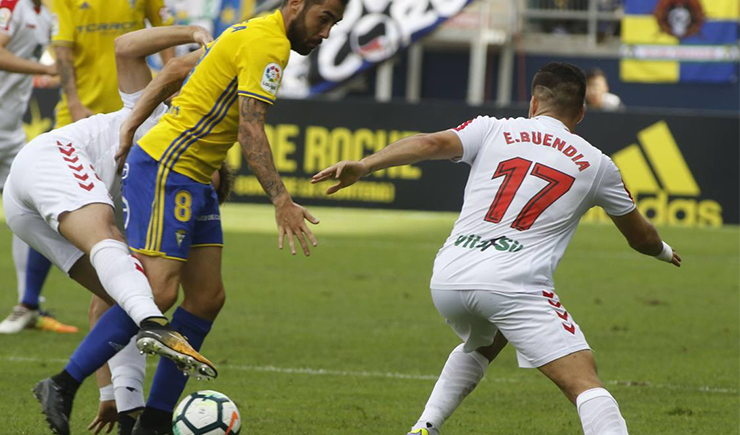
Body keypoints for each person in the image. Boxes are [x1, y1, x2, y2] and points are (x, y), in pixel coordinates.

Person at [312, 62, 682, 435]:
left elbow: (428, 144)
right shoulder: (598, 164)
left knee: (489, 339)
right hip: (512, 283)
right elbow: (641, 238)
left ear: (533, 103)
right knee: (584, 380)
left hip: (449, 276)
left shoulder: (492, 128)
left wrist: (366, 164)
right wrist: (663, 251)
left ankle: (424, 427)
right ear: (582, 112)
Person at [101, 1, 347, 432]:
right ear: (295, 6)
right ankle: (66, 382)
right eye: (323, 18)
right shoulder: (266, 43)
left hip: (195, 177)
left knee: (207, 298)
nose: (326, 32)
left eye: (334, 23)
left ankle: (154, 422)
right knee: (157, 293)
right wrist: (281, 200)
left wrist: (132, 121)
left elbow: (177, 68)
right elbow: (251, 128)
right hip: (168, 167)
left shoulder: (245, 31)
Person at [2, 24, 217, 435]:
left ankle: (128, 414)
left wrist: (115, 395)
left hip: (22, 208)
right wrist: (192, 33)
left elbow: (105, 308)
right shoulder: (159, 114)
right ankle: (157, 325)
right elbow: (125, 47)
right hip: (52, 158)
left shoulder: (159, 204)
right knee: (113, 245)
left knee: (125, 291)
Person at [0, 0, 177, 335]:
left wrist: (171, 90)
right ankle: (28, 303)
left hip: (131, 113)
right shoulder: (58, 3)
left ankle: (120, 329)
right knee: (57, 209)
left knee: (114, 237)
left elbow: (164, 38)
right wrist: (72, 100)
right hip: (82, 120)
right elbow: (63, 52)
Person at [0, 0, 79, 334]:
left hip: (10, 133)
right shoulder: (10, 4)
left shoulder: (47, 13)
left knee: (34, 212)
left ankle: (27, 304)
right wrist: (45, 70)